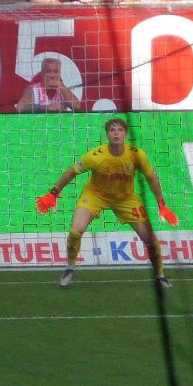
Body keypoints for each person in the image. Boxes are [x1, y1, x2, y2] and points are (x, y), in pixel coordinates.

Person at [36, 117, 179, 288]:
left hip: (126, 198)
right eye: (112, 130)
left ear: (125, 134)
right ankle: (70, 267)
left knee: (150, 238)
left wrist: (161, 205)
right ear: (107, 135)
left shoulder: (137, 154)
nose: (116, 133)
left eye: (119, 130)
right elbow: (71, 172)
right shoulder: (95, 156)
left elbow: (151, 178)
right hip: (95, 195)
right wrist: (53, 193)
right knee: (76, 231)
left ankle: (160, 275)